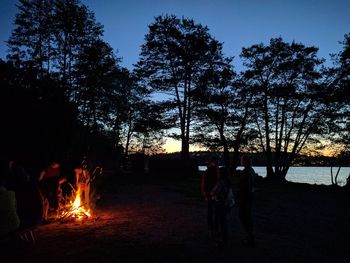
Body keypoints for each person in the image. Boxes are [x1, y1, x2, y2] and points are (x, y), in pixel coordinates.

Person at [210, 168, 232, 246]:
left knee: (221, 221)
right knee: (223, 221)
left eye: (218, 172)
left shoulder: (221, 182)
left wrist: (213, 194)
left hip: (220, 204)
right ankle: (224, 238)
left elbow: (214, 192)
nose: (217, 174)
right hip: (226, 204)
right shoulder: (228, 182)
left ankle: (223, 239)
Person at [237, 155, 256, 246]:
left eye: (241, 160)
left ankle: (250, 236)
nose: (240, 161)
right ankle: (250, 235)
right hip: (250, 196)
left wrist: (241, 194)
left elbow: (246, 185)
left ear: (244, 161)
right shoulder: (251, 170)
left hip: (245, 197)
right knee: (247, 216)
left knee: (243, 216)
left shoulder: (246, 171)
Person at [201, 156, 220, 238]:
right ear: (211, 162)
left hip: (217, 194)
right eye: (215, 161)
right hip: (210, 194)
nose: (216, 163)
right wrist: (206, 193)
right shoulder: (208, 171)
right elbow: (204, 183)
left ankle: (215, 228)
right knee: (211, 212)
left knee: (216, 212)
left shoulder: (218, 171)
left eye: (217, 162)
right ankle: (211, 229)